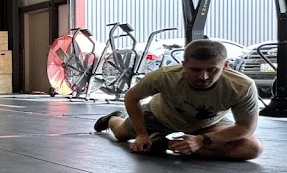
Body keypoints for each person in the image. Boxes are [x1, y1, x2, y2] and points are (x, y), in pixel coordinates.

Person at [94, 39, 263, 161]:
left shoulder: (241, 86)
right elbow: (132, 97)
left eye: (212, 70)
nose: (203, 77)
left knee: (252, 149)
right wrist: (142, 134)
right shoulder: (165, 76)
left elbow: (245, 127)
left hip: (208, 124)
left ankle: (163, 145)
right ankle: (112, 118)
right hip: (159, 116)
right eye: (195, 70)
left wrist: (202, 140)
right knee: (121, 134)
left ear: (225, 66)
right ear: (184, 64)